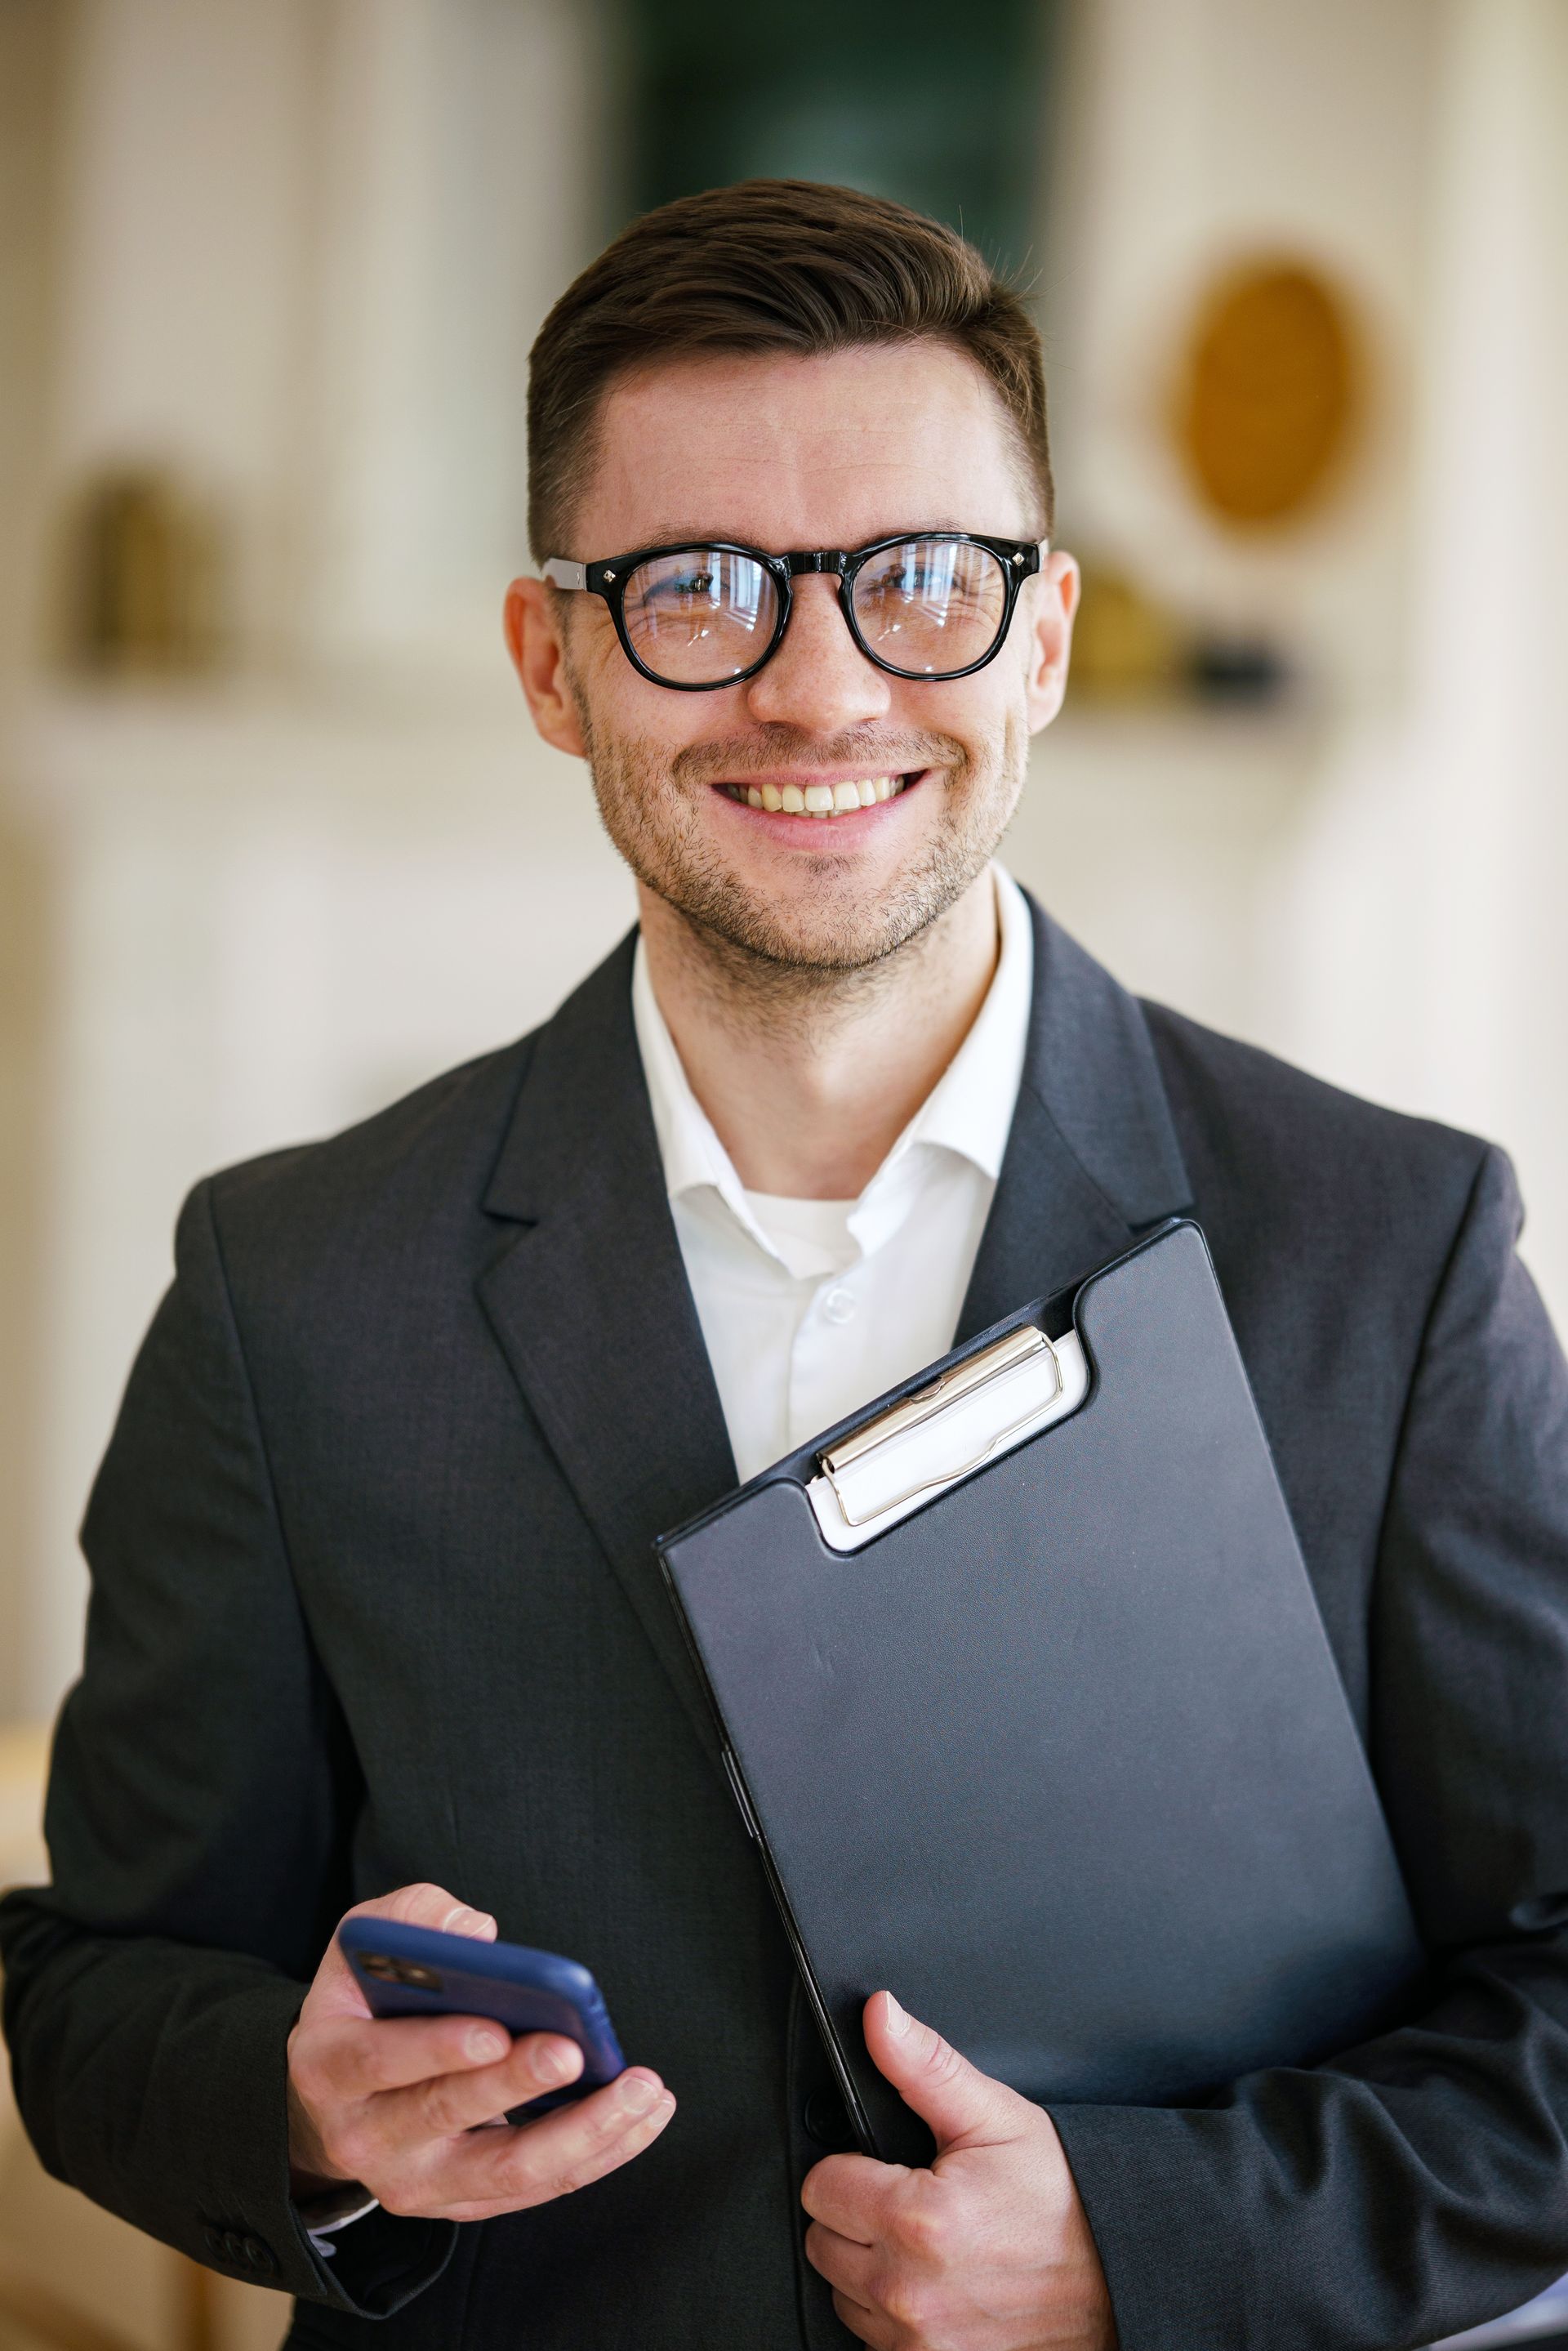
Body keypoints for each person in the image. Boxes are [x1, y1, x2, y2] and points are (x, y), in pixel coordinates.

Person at [4, 178, 1568, 2351]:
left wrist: (1149, 2241)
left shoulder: (1394, 1260)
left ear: (1038, 633)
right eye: (701, 588)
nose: (820, 686)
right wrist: (294, 2100)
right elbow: (96, 1994)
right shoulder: (288, 1293)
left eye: (921, 581)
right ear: (554, 661)